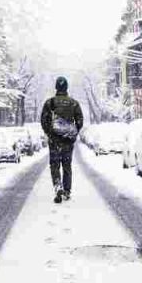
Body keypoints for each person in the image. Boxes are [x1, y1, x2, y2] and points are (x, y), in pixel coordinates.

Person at [40, 76, 84, 204]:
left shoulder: (50, 103)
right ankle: (67, 191)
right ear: (66, 87)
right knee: (67, 166)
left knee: (54, 165)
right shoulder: (73, 103)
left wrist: (50, 133)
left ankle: (57, 186)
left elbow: (44, 121)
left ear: (56, 87)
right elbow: (80, 121)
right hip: (67, 141)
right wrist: (72, 133)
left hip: (54, 141)